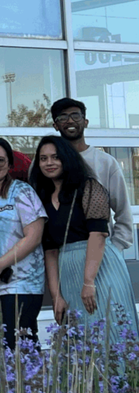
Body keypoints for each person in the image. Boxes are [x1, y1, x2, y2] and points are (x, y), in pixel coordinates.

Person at [31, 135, 138, 335]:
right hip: (67, 271)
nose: (49, 163)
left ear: (67, 158)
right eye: (43, 158)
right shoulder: (41, 197)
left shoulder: (89, 187)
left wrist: (88, 281)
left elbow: (97, 234)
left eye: (55, 157)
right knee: (80, 342)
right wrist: (56, 296)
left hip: (99, 268)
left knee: (110, 333)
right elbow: (50, 250)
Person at [0, 137, 46, 349]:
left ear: (9, 165)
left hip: (21, 284)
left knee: (20, 348)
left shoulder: (21, 191)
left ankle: (31, 384)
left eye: (0, 160)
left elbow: (33, 236)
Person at [51, 97, 134, 251]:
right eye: (63, 117)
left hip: (101, 252)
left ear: (86, 122)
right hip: (58, 255)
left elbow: (123, 212)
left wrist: (115, 248)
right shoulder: (46, 165)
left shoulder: (105, 162)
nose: (70, 121)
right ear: (55, 125)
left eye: (75, 116)